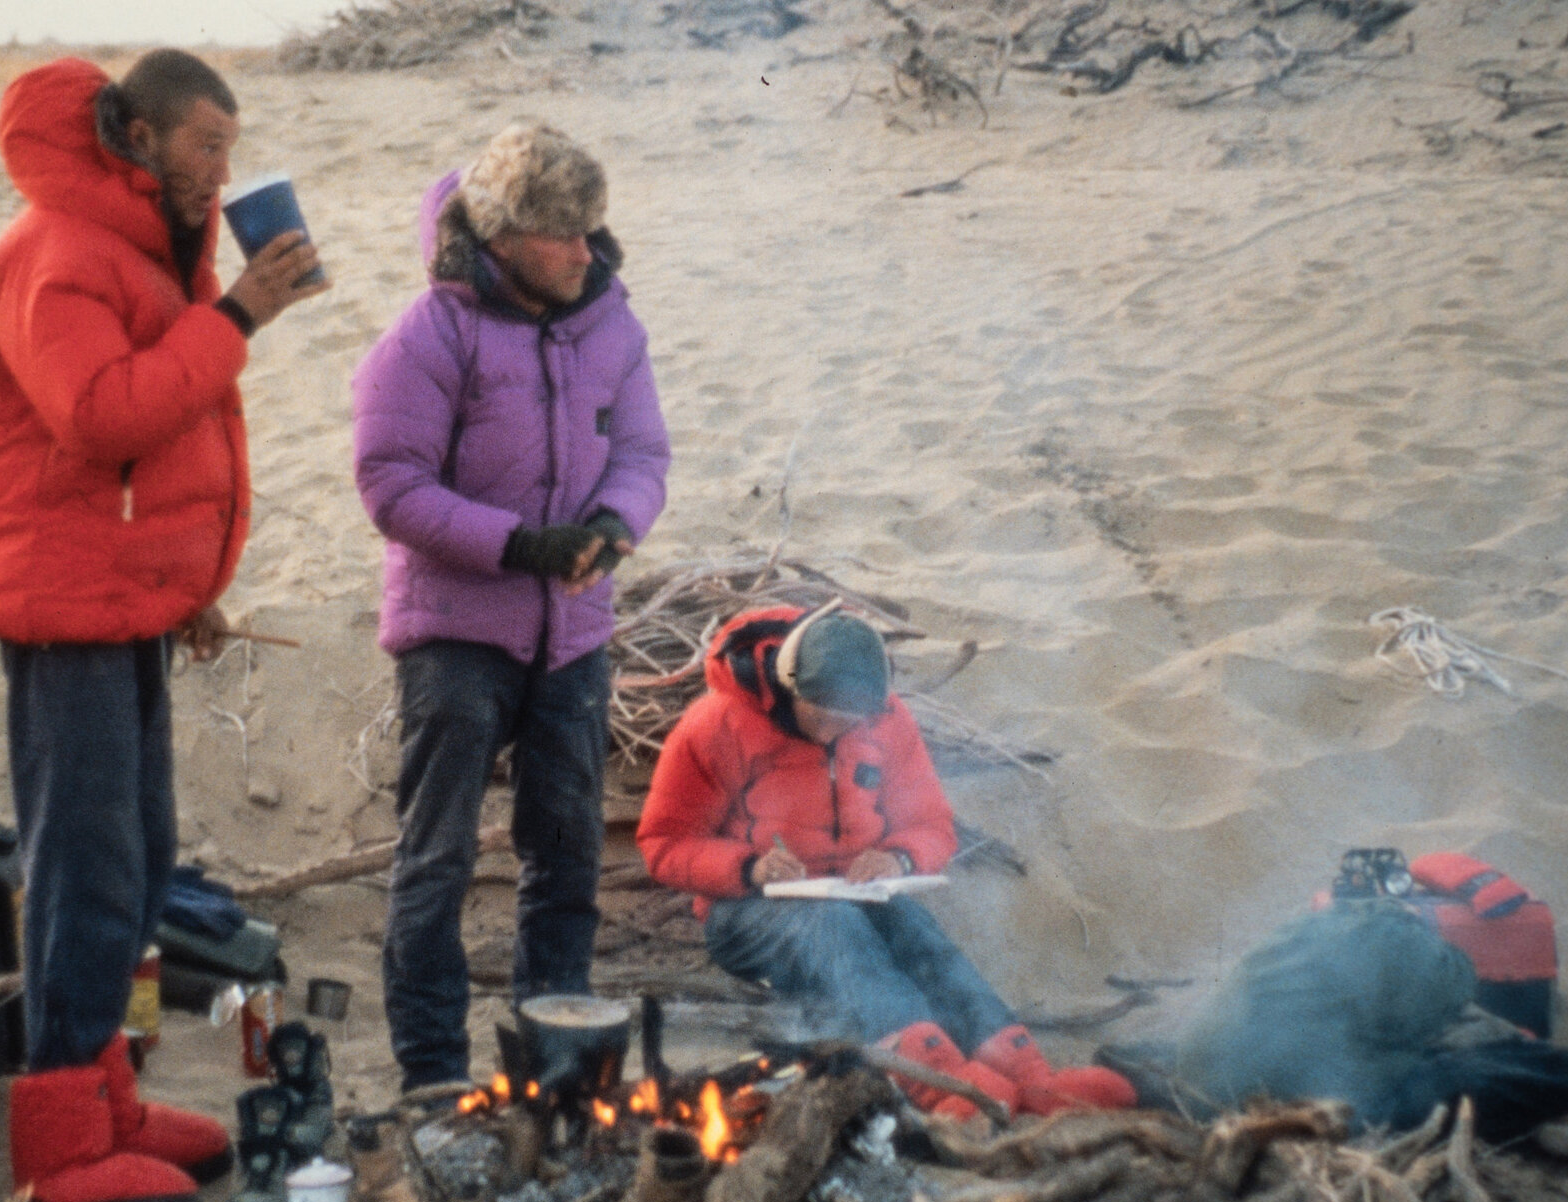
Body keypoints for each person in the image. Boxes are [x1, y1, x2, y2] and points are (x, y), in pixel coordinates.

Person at [0, 50, 325, 1202]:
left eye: (230, 147)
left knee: (141, 851)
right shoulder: (53, 255)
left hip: (116, 602)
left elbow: (144, 463)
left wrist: (183, 588)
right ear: (138, 141)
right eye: (205, 146)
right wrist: (241, 315)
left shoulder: (144, 254)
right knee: (84, 862)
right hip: (60, 611)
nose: (223, 173)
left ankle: (106, 1101)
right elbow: (102, 416)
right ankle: (59, 1146)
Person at [351, 124, 671, 1091]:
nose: (586, 251)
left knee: (566, 854)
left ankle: (553, 1064)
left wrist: (617, 524)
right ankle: (435, 1076)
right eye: (562, 235)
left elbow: (645, 454)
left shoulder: (612, 323)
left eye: (591, 230)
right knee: (435, 861)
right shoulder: (428, 334)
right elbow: (390, 485)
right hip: (455, 635)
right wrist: (516, 545)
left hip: (572, 635)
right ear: (500, 237)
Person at [635, 608, 1134, 1118]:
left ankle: (1030, 1077)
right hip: (745, 917)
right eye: (820, 714)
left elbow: (932, 823)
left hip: (853, 896)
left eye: (847, 720)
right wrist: (749, 868)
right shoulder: (717, 724)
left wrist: (898, 858)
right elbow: (663, 843)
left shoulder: (886, 720)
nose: (832, 731)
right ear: (789, 684)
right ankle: (937, 1083)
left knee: (916, 929)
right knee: (830, 923)